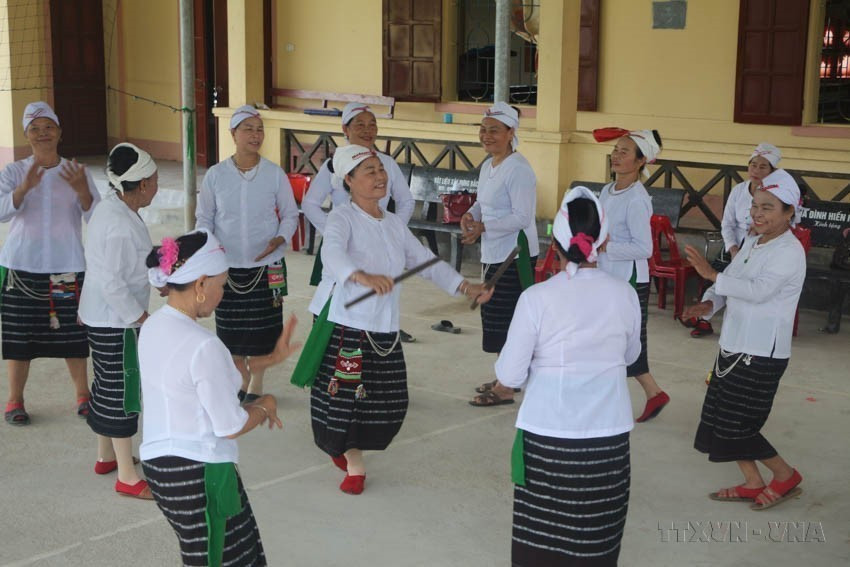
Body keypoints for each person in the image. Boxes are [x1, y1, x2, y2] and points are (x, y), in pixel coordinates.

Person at [306, 145, 493, 495]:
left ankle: (347, 449)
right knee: (347, 401)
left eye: (381, 170)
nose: (380, 177)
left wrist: (465, 286)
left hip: (385, 327)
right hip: (350, 324)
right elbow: (331, 252)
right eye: (369, 172)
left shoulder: (392, 222)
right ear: (348, 180)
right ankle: (353, 460)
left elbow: (424, 260)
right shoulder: (341, 218)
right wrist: (360, 276)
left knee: (390, 403)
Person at [497, 186, 640, 566]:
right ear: (604, 239)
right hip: (607, 439)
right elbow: (630, 356)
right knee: (595, 539)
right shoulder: (624, 294)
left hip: (547, 438)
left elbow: (509, 375)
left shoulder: (536, 299)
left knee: (541, 543)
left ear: (553, 242)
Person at [140, 229, 299, 566]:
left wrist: (269, 360)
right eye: (221, 284)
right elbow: (230, 424)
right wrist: (264, 405)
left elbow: (216, 374)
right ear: (200, 285)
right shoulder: (204, 344)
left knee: (213, 554)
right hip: (199, 472)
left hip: (161, 469)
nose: (222, 293)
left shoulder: (154, 326)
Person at [683, 168, 805, 511]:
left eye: (768, 207)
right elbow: (730, 282)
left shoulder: (790, 251)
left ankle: (785, 475)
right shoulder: (753, 241)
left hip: (762, 353)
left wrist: (711, 275)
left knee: (740, 425)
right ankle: (754, 482)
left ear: (789, 212)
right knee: (721, 417)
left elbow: (759, 291)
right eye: (755, 205)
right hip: (733, 344)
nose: (756, 213)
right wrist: (709, 303)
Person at [0, 101, 101, 426]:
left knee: (73, 335)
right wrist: (24, 189)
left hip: (66, 267)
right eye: (35, 129)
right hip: (21, 268)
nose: (42, 134)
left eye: (48, 128)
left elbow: (97, 219)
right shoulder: (14, 171)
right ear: (26, 135)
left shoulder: (76, 171)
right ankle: (15, 400)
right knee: (19, 338)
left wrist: (84, 192)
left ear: (59, 132)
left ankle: (83, 396)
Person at [196, 104, 299, 403]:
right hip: (226, 267)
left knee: (264, 328)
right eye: (248, 129)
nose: (255, 135)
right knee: (231, 330)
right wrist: (210, 249)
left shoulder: (273, 173)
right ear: (233, 134)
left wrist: (280, 238)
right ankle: (238, 378)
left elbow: (290, 215)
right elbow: (204, 218)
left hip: (266, 265)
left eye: (259, 129)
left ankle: (256, 382)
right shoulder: (216, 175)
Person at [78, 143, 158, 498]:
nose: (156, 185)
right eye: (154, 181)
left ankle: (105, 455)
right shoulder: (118, 224)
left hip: (102, 314)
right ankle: (127, 476)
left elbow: (131, 266)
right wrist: (139, 316)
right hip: (116, 319)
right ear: (141, 185)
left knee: (106, 384)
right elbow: (112, 281)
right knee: (122, 392)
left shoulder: (114, 209)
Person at [301, 102, 417, 342]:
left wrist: (393, 231)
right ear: (345, 129)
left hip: (379, 243)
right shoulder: (334, 164)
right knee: (338, 291)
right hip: (344, 242)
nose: (367, 130)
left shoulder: (387, 164)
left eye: (372, 124)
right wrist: (334, 231)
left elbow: (406, 201)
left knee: (379, 293)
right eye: (360, 125)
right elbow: (310, 204)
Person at [462, 102, 538, 407]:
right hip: (493, 251)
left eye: (494, 130)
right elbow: (482, 203)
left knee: (508, 320)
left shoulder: (519, 169)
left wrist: (483, 226)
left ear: (511, 133)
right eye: (483, 129)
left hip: (514, 255)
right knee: (495, 317)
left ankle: (507, 386)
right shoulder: (488, 165)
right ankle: (506, 377)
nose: (486, 135)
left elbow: (522, 216)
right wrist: (470, 214)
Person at [592, 127, 670, 422]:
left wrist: (607, 247)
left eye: (625, 152)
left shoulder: (637, 198)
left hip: (629, 280)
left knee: (622, 341)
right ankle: (653, 393)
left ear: (640, 162)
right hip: (606, 275)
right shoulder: (607, 190)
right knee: (616, 340)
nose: (617, 155)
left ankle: (615, 400)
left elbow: (645, 248)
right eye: (616, 150)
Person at [681, 142, 781, 338]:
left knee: (735, 283)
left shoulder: (776, 196)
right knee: (720, 278)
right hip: (734, 247)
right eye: (753, 165)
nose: (756, 170)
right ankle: (705, 316)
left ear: (772, 171)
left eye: (763, 166)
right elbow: (726, 224)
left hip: (759, 249)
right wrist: (733, 248)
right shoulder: (738, 191)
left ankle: (710, 316)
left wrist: (751, 243)